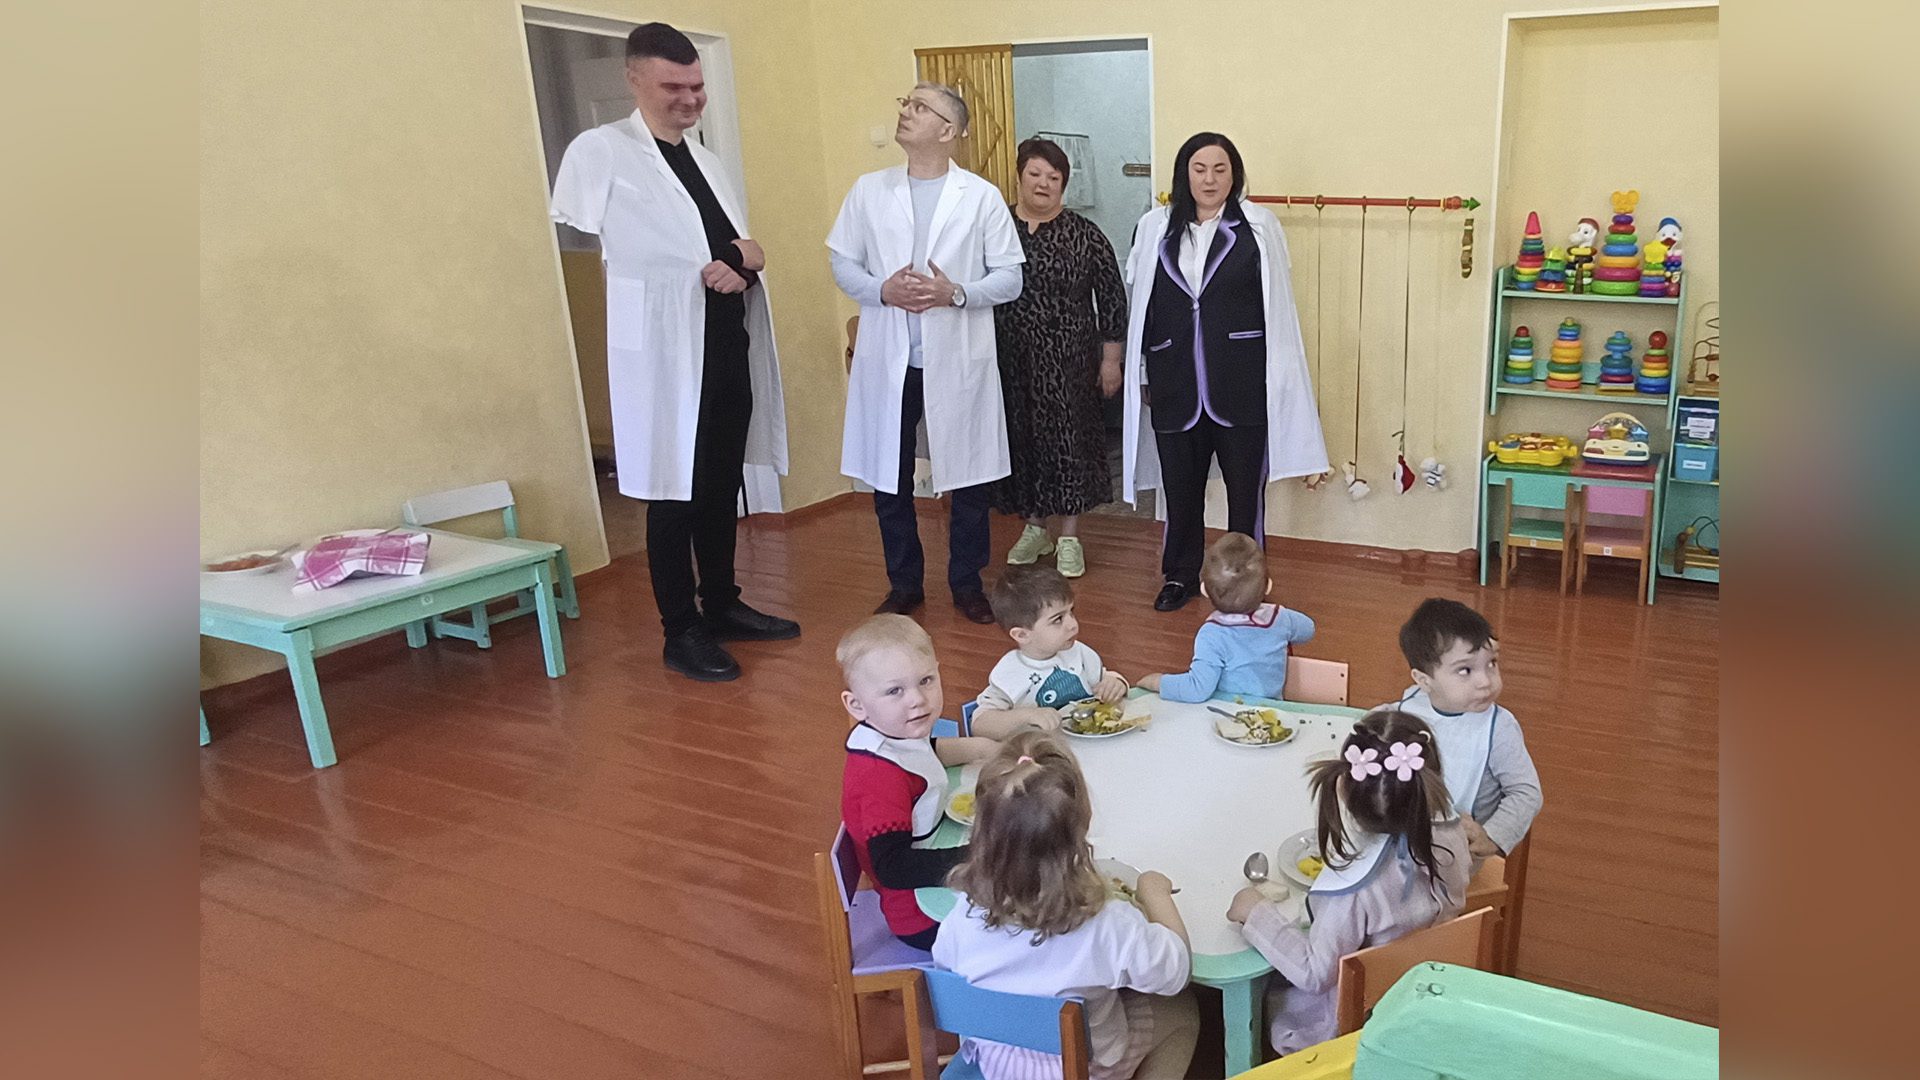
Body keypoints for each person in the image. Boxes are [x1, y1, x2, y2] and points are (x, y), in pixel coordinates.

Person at [549, 22, 796, 683]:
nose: (690, 99)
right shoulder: (601, 151)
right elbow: (620, 251)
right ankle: (680, 630)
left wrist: (746, 261)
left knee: (720, 483)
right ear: (633, 80)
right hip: (662, 355)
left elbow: (732, 249)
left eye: (697, 86)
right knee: (673, 491)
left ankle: (722, 603)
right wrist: (729, 260)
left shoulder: (706, 161)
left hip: (724, 344)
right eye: (673, 87)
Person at [828, 83, 1026, 624]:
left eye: (920, 108)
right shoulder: (869, 190)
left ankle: (967, 583)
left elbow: (1009, 278)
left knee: (969, 475)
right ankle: (904, 584)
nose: (906, 113)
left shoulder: (980, 196)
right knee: (888, 476)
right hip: (889, 359)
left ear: (948, 130)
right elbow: (842, 262)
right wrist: (881, 289)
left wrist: (955, 292)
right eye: (906, 104)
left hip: (957, 357)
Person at [1118, 132, 1329, 612]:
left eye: (1220, 169)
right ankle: (1179, 575)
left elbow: (1278, 308)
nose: (1209, 179)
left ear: (1234, 175)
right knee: (1180, 491)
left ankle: (1246, 583)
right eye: (1199, 169)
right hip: (1174, 382)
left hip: (1242, 382)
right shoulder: (1154, 227)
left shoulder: (1258, 226)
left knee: (1245, 496)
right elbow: (1144, 306)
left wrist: (1279, 378)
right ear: (1184, 174)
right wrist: (1145, 369)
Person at [934, 731, 1199, 1079]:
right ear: (1083, 822)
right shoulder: (1106, 923)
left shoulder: (963, 916)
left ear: (982, 833)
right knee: (1183, 1013)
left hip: (998, 1065)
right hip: (1081, 1069)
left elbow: (948, 974)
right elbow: (1175, 972)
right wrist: (1154, 892)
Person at [1225, 709, 1470, 1057]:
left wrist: (1255, 913)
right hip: (1424, 989)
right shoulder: (1452, 835)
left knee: (1265, 979)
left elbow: (1315, 973)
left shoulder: (1355, 890)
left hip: (1360, 1022)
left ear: (1342, 787)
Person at [838, 615, 1044, 948]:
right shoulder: (878, 777)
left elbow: (921, 754)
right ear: (856, 705)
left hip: (930, 873)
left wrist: (983, 749)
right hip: (922, 915)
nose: (917, 699)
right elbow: (892, 867)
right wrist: (980, 854)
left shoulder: (892, 732)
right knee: (1040, 913)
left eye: (926, 680)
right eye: (894, 691)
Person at [994, 138, 1129, 578]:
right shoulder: (997, 229)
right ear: (1019, 176)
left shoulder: (1085, 234)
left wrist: (1111, 360)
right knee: (1024, 443)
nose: (1043, 184)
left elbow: (1112, 300)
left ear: (1064, 185)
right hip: (1011, 361)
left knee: (1069, 444)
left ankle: (1069, 536)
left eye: (1053, 177)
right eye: (1035, 174)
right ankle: (1035, 529)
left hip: (1071, 362)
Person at [1386, 598, 1543, 865]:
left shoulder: (1499, 728)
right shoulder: (1404, 712)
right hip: (1404, 836)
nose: (1485, 681)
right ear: (1424, 680)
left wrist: (1491, 836)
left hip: (1460, 853)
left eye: (1491, 663)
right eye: (1465, 670)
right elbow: (1375, 727)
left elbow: (1526, 792)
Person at [1135, 533, 1315, 702]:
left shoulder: (1211, 634)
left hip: (1225, 715)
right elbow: (1309, 629)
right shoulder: (1280, 617)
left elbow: (1197, 689)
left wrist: (1158, 682)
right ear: (1268, 586)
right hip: (1272, 712)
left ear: (1204, 590)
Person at [975, 565, 1131, 729]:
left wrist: (1115, 683)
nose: (1073, 624)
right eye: (1058, 619)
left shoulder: (1078, 652)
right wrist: (1027, 716)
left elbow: (1101, 678)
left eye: (1071, 611)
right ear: (1022, 635)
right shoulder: (1011, 673)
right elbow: (980, 724)